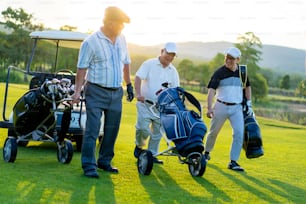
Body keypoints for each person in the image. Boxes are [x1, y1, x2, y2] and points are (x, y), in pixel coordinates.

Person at [72, 6, 134, 178]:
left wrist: (129, 84)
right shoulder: (90, 42)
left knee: (112, 129)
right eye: (119, 23)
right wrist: (77, 92)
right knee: (92, 129)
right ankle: (89, 165)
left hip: (116, 92)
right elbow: (81, 68)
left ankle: (104, 161)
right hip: (96, 91)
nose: (122, 27)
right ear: (108, 22)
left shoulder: (122, 39)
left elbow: (126, 62)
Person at [204, 47, 252, 171]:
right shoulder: (219, 72)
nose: (228, 60)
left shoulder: (242, 72)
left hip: (237, 108)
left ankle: (233, 161)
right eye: (227, 58)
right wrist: (209, 108)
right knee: (213, 132)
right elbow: (211, 91)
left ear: (238, 59)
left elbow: (247, 87)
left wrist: (249, 103)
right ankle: (206, 153)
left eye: (231, 58)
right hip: (220, 105)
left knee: (239, 133)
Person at [133, 42, 180, 164]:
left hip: (162, 107)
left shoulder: (173, 71)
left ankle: (152, 154)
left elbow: (176, 89)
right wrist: (138, 94)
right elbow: (138, 78)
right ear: (162, 51)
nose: (169, 57)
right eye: (168, 54)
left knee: (157, 133)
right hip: (145, 104)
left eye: (172, 55)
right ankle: (139, 146)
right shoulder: (149, 64)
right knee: (143, 129)